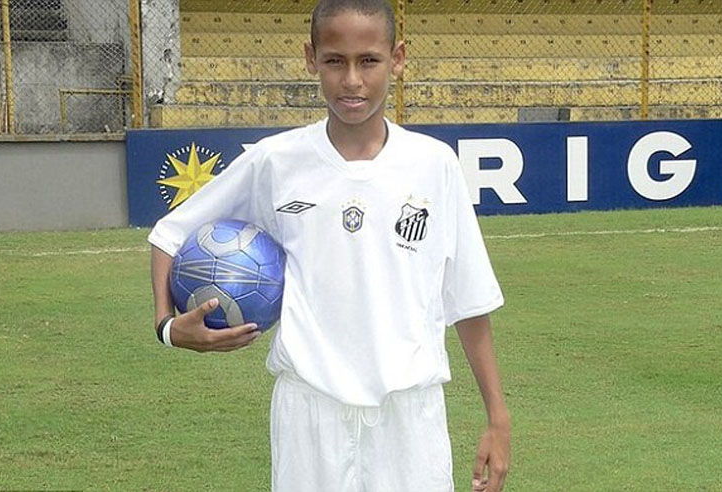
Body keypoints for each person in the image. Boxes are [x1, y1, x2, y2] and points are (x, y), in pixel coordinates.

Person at [148, 0, 511, 490]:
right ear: (310, 59)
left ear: (398, 58)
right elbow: (170, 232)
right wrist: (168, 327)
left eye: (369, 61)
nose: (352, 81)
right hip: (308, 410)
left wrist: (497, 419)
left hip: (410, 417)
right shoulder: (276, 161)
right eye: (335, 61)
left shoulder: (435, 165)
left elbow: (467, 301)